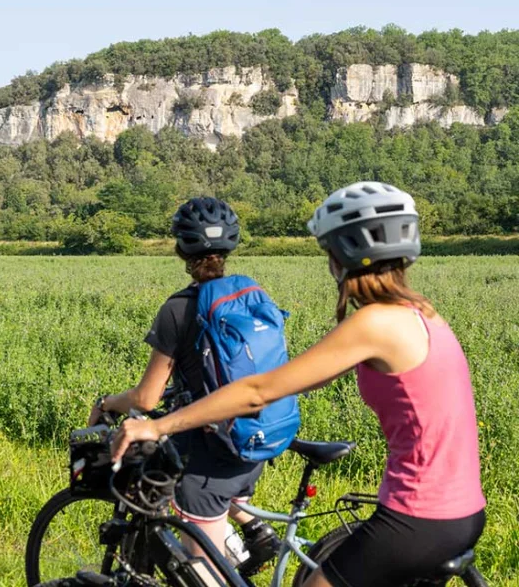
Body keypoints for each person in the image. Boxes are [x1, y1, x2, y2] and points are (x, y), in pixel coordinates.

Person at [111, 182, 486, 587]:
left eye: (328, 252)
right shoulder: (422, 313)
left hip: (416, 516)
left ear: (342, 255)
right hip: (462, 512)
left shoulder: (375, 322)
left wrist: (158, 425)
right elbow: (296, 382)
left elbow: (258, 391)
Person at [88, 197, 280, 575]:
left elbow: (146, 397)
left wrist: (107, 403)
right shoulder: (253, 295)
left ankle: (220, 557)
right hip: (257, 435)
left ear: (180, 249)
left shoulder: (178, 309)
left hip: (215, 451)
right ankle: (252, 530)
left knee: (200, 569)